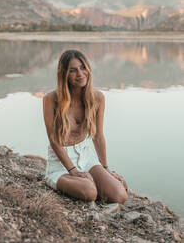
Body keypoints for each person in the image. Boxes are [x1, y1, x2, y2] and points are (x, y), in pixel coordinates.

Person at [43, 49, 128, 204]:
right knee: (89, 192)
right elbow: (54, 140)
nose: (80, 74)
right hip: (61, 162)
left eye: (83, 68)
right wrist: (73, 171)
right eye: (73, 70)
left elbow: (98, 136)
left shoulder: (97, 98)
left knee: (119, 195)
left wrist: (105, 168)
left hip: (86, 156)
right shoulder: (51, 99)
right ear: (64, 75)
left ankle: (92, 181)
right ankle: (52, 179)